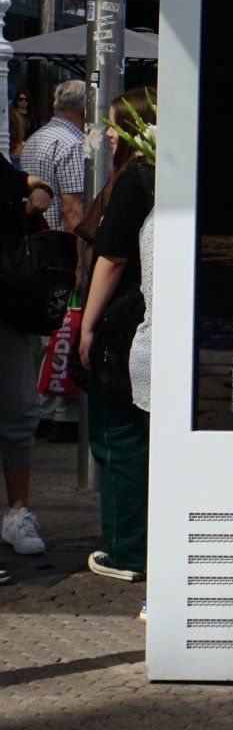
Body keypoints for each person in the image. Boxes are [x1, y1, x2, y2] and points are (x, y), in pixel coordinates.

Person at [76, 87, 157, 585]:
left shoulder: (134, 180)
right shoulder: (165, 176)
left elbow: (112, 259)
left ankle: (126, 550)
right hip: (148, 316)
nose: (109, 134)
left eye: (115, 125)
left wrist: (87, 325)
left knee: (116, 434)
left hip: (124, 320)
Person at [1, 154, 56, 566]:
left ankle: (18, 513)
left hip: (6, 305)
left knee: (20, 406)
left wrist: (38, 191)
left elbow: (33, 183)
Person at [19, 80, 86, 234]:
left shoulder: (33, 138)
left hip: (33, 237)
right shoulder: (73, 144)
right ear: (84, 110)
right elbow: (71, 209)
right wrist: (78, 255)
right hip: (58, 242)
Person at [9, 93, 34, 160]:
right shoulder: (12, 115)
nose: (23, 101)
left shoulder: (33, 115)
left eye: (26, 100)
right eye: (21, 99)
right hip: (15, 145)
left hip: (29, 145)